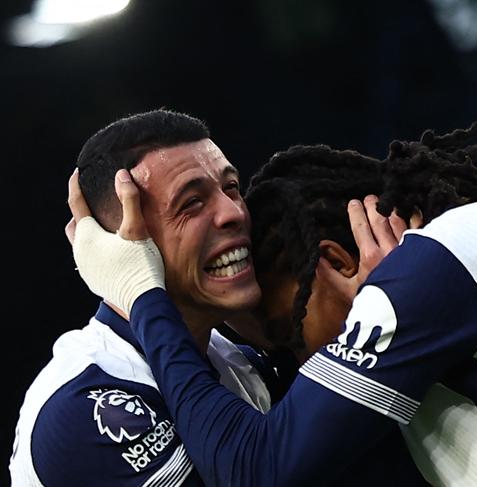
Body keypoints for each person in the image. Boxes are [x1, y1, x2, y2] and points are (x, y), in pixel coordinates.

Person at [68, 120, 477, 486]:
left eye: (286, 334)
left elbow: (255, 469)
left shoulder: (420, 277)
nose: (303, 368)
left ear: (339, 264)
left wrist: (142, 294)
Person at [10, 108, 424, 486]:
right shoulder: (87, 404)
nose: (234, 213)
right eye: (192, 203)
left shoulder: (242, 364)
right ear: (124, 242)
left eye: (230, 187)